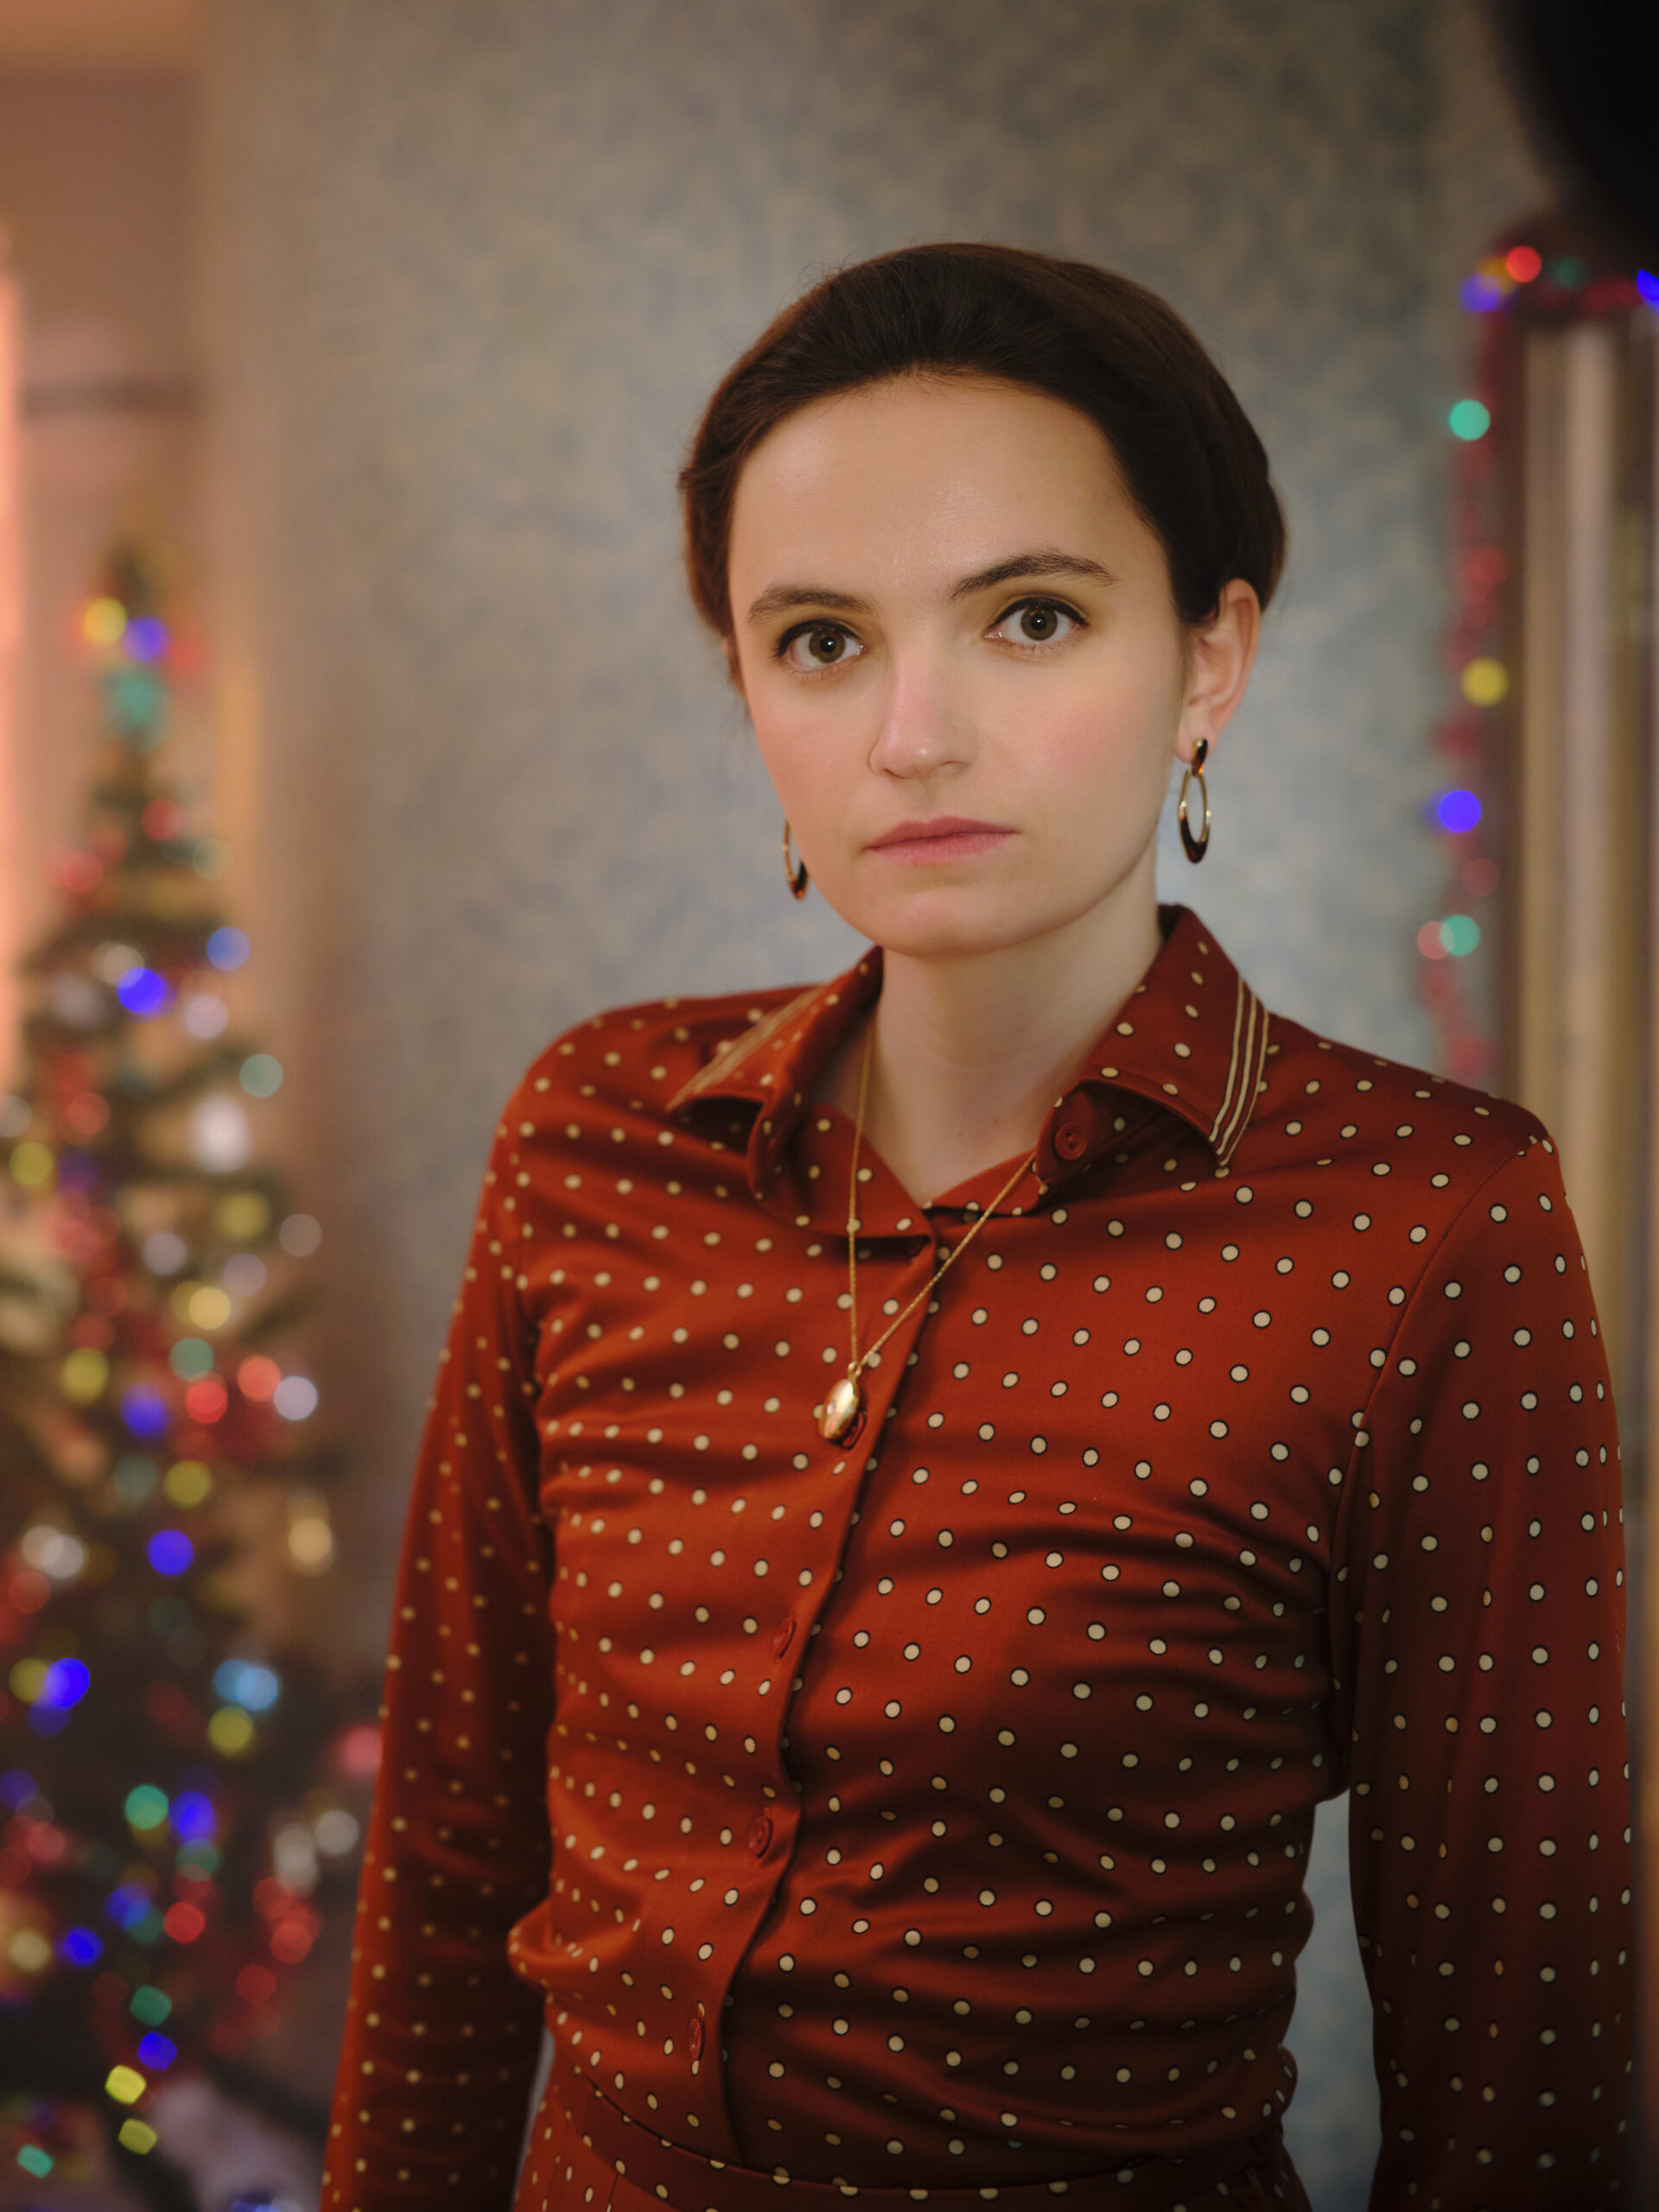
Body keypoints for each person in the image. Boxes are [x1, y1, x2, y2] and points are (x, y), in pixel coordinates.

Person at [321, 245, 1632, 2212]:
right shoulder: (597, 1132)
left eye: (1028, 615)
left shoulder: (1424, 1220)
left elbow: (1519, 2040)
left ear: (1210, 655)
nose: (911, 732)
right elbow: (448, 1843)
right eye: (823, 640)